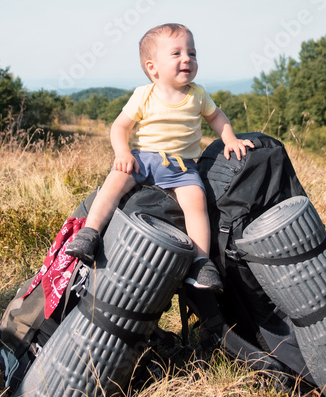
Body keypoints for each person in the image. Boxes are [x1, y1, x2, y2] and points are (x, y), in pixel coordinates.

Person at [66, 22, 254, 291]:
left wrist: (230, 139)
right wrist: (122, 152)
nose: (187, 58)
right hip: (142, 158)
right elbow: (119, 127)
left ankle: (201, 262)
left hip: (182, 166)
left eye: (192, 53)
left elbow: (216, 117)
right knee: (113, 184)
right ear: (152, 67)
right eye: (176, 53)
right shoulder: (145, 95)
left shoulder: (197, 94)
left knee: (196, 203)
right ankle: (90, 232)